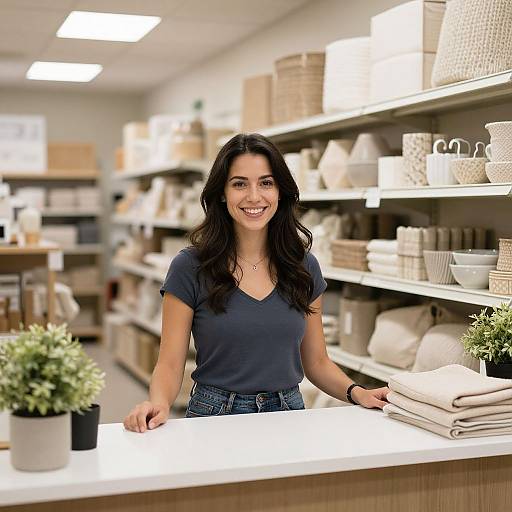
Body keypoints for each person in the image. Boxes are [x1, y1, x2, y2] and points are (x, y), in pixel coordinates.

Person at [123, 133, 389, 433]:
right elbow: (170, 364)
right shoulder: (190, 267)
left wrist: (358, 392)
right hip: (215, 416)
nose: (254, 196)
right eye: (239, 183)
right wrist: (158, 403)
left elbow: (316, 362)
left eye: (266, 182)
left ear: (280, 191)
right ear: (222, 193)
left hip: (288, 412)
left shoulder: (303, 267)